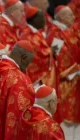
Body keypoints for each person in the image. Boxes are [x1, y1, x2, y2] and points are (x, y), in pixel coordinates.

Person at [0, 40, 35, 140]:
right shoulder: (21, 80)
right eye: (28, 62)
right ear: (24, 58)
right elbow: (20, 119)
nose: (27, 66)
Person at [46, 5, 80, 140]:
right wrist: (71, 70)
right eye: (70, 15)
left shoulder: (67, 31)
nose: (73, 17)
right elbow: (53, 58)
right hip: (64, 81)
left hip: (74, 78)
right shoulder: (56, 33)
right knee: (65, 119)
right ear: (61, 17)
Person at [20, 6, 54, 88]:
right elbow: (35, 55)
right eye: (42, 18)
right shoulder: (27, 34)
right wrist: (51, 51)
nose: (44, 21)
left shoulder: (36, 32)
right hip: (35, 78)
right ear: (34, 20)